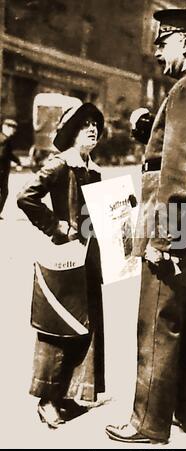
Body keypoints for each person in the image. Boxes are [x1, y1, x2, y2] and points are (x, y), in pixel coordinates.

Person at [106, 0, 186, 443]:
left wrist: (163, 238)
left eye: (161, 43)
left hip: (173, 233)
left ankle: (146, 424)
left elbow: (177, 170)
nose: (158, 52)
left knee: (157, 325)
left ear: (183, 40)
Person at [17, 103, 105, 428]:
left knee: (84, 325)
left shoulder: (92, 170)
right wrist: (57, 227)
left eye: (96, 124)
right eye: (85, 125)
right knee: (56, 328)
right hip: (62, 259)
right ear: (71, 132)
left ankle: (68, 396)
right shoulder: (58, 165)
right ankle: (46, 401)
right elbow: (26, 197)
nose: (92, 129)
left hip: (87, 259)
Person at [0, 118, 21, 218]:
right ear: (5, 127)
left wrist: (17, 161)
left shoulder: (4, 139)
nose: (14, 131)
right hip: (2, 170)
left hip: (3, 170)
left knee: (4, 192)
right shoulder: (3, 139)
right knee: (4, 192)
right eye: (12, 128)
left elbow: (8, 154)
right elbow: (3, 154)